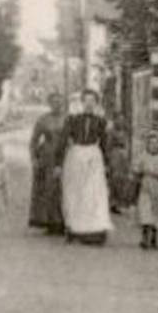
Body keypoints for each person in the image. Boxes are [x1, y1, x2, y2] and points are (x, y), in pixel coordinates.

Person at [58, 89, 113, 245]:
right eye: (86, 101)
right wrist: (58, 163)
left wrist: (107, 164)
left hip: (94, 157)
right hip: (76, 155)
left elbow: (104, 143)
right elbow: (63, 140)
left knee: (94, 193)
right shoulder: (72, 120)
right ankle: (73, 227)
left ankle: (95, 229)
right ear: (81, 103)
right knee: (75, 192)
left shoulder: (101, 121)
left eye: (92, 101)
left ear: (96, 104)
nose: (89, 104)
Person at [27, 93, 67, 236]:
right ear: (49, 104)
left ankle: (64, 220)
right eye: (54, 102)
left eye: (59, 102)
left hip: (65, 156)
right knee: (49, 190)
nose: (57, 105)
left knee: (63, 189)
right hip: (47, 157)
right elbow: (33, 141)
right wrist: (34, 159)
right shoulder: (43, 120)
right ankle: (50, 222)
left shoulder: (68, 119)